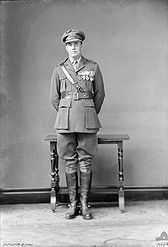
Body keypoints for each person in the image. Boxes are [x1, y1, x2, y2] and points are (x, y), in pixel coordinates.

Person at [50, 28, 105, 220]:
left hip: (87, 120)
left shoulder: (93, 67)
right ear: (65, 47)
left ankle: (84, 203)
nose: (73, 47)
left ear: (81, 45)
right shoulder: (58, 70)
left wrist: (88, 112)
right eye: (69, 44)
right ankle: (73, 204)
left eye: (76, 44)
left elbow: (99, 95)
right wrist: (67, 112)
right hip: (65, 122)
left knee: (86, 160)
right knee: (69, 160)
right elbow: (54, 98)